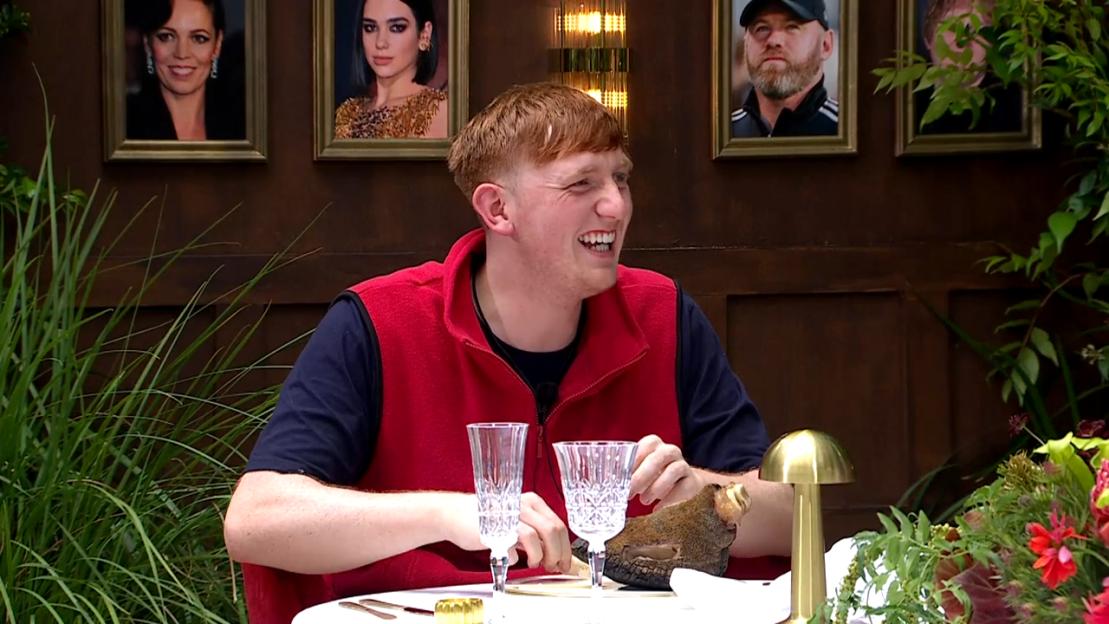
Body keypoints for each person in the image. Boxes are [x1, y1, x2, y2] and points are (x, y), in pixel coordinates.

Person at [224, 82, 793, 623]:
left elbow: (794, 518)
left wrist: (708, 494)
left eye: (620, 179)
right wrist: (448, 513)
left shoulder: (664, 314)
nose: (616, 206)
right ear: (497, 210)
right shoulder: (377, 322)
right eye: (581, 185)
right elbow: (257, 520)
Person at [126, 0, 243, 140]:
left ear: (217, 45)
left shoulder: (243, 125)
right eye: (167, 36)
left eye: (199, 38)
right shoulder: (122, 124)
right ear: (147, 43)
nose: (182, 54)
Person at [333, 0, 448, 139]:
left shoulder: (441, 111)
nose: (380, 43)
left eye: (397, 28)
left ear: (424, 34)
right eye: (370, 28)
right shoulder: (346, 114)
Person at [730, 0, 838, 138]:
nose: (773, 41)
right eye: (762, 28)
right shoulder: (719, 137)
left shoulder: (850, 135)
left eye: (792, 27)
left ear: (826, 44)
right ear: (745, 45)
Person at [915, 0, 1022, 135]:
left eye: (976, 31)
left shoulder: (1017, 111)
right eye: (952, 28)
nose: (962, 41)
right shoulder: (906, 107)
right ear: (927, 38)